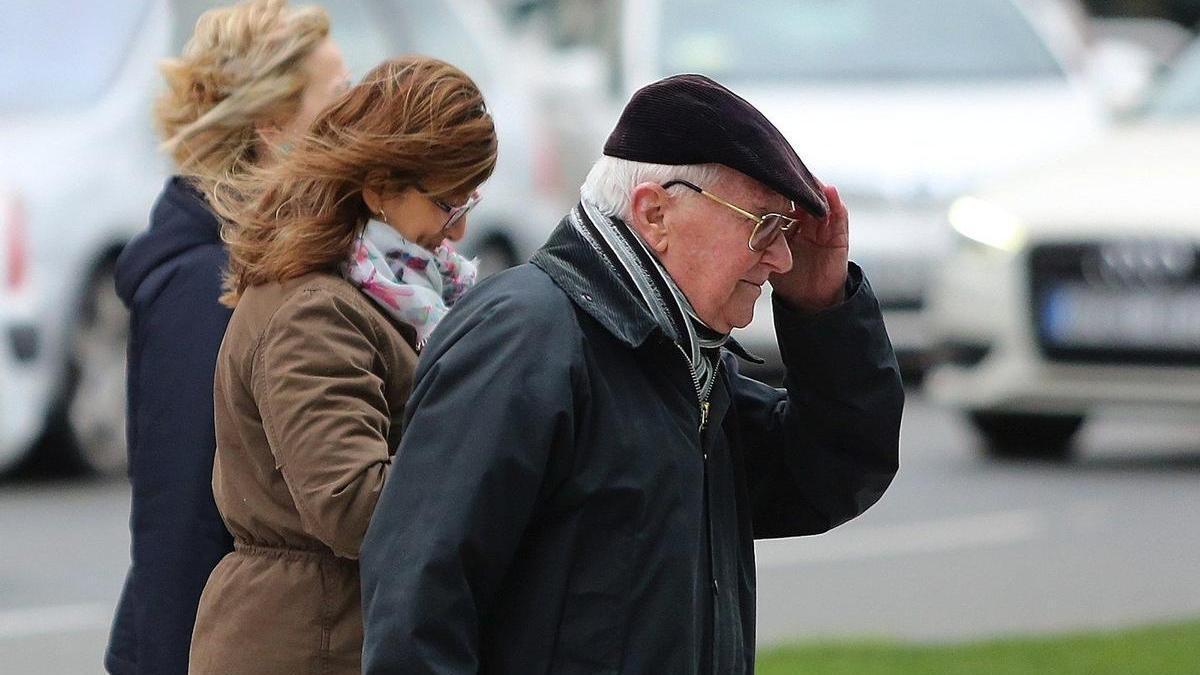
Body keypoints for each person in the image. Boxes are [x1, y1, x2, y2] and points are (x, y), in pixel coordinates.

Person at [360, 74, 905, 674]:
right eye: (763, 226)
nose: (781, 258)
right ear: (655, 213)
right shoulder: (525, 337)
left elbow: (829, 472)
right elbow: (419, 607)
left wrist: (824, 308)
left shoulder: (678, 356)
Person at [187, 55, 497, 675]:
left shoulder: (382, 294)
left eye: (469, 202)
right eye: (447, 205)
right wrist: (501, 464)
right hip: (311, 641)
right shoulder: (315, 312)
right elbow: (354, 506)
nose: (457, 233)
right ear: (379, 188)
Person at [107, 2, 349, 673]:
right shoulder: (206, 283)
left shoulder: (265, 258)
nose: (357, 117)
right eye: (337, 100)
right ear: (274, 127)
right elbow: (179, 517)